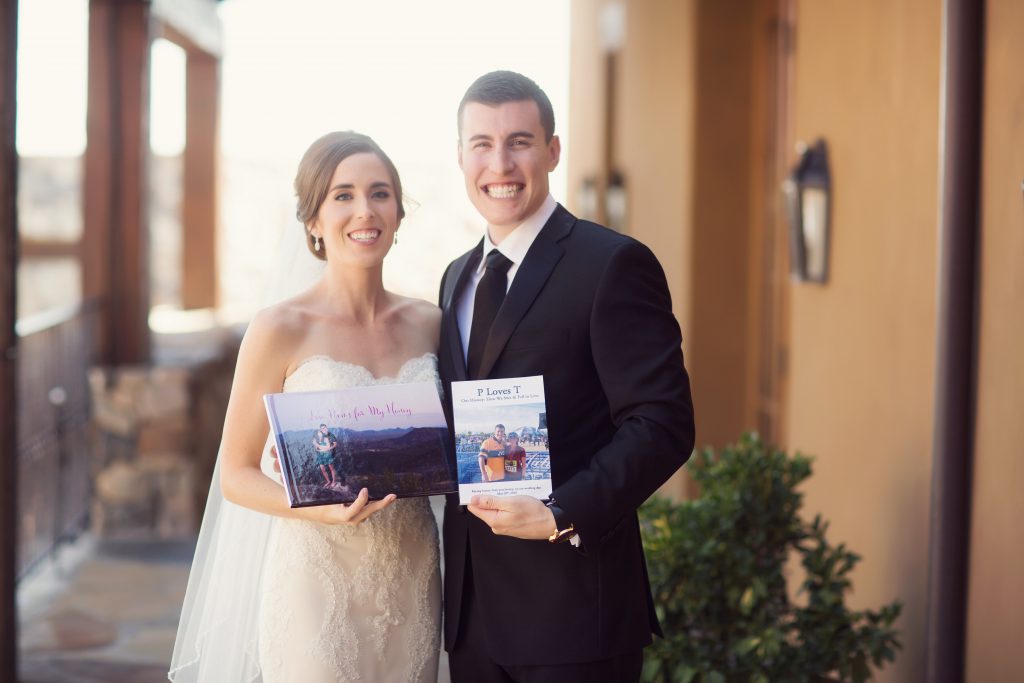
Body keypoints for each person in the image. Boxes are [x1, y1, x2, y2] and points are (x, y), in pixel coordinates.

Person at [438, 71, 696, 682]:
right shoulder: (455, 278)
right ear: (460, 157)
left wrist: (562, 511)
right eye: (482, 144)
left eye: (519, 141)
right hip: (473, 619)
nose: (500, 163)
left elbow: (663, 423)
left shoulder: (612, 263)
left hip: (576, 616)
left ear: (553, 151)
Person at [170, 131, 442, 683]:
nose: (364, 210)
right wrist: (315, 509)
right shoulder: (279, 329)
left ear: (398, 211)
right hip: (315, 577)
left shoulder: (432, 324)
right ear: (313, 220)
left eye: (379, 192)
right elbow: (236, 475)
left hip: (413, 570)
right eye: (342, 195)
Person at [312, 423, 340, 487]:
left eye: (324, 428)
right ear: (320, 430)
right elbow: (315, 444)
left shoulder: (330, 435)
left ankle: (334, 481)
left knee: (331, 468)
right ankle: (328, 481)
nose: (323, 429)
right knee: (322, 469)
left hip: (329, 453)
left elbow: (335, 444)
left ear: (326, 428)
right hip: (321, 454)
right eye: (322, 428)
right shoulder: (319, 436)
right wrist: (317, 447)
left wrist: (329, 448)